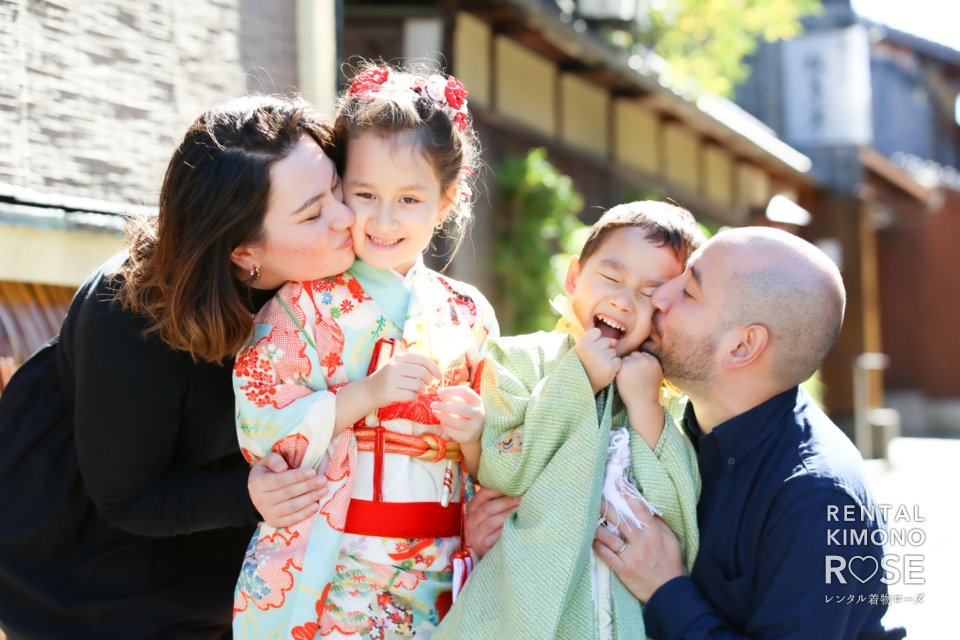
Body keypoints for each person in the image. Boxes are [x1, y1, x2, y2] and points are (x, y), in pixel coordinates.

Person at [0, 95, 352, 639]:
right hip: (92, 565)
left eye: (336, 186)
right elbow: (128, 497)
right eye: (313, 213)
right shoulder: (128, 316)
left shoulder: (332, 274)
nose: (346, 216)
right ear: (243, 252)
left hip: (236, 548)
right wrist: (247, 496)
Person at [231, 64, 499, 639]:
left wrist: (476, 435)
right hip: (333, 562)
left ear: (447, 201)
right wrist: (368, 394)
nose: (383, 219)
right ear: (338, 188)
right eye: (365, 194)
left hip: (438, 566)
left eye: (409, 199)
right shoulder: (301, 304)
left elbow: (504, 452)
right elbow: (262, 423)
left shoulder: (469, 313)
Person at [592, 227, 907, 639]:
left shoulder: (818, 500)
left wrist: (665, 589)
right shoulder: (660, 416)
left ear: (742, 347)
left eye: (689, 292)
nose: (660, 295)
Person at [436, 202, 704, 640]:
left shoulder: (655, 391)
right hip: (520, 612)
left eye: (648, 293)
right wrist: (577, 380)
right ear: (575, 278)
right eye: (612, 278)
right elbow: (505, 469)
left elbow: (679, 518)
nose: (622, 300)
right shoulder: (517, 360)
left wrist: (645, 409)